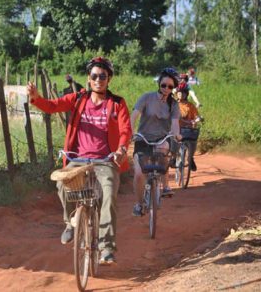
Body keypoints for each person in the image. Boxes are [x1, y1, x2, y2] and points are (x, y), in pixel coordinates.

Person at [27, 57, 132, 264]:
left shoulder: (117, 103)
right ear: (89, 79)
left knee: (108, 193)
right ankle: (69, 222)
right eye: (94, 76)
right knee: (61, 184)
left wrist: (121, 149)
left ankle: (107, 248)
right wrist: (36, 97)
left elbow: (125, 130)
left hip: (105, 161)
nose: (98, 80)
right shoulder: (78, 99)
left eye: (103, 76)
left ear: (109, 79)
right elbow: (51, 106)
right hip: (78, 159)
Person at [130, 67, 181, 217]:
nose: (166, 89)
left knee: (165, 148)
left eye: (170, 87)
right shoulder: (146, 98)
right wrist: (131, 133)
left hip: (161, 138)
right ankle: (139, 204)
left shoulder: (174, 104)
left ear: (173, 88)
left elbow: (175, 123)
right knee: (139, 174)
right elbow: (134, 116)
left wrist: (176, 134)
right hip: (143, 139)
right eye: (163, 85)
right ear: (159, 84)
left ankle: (165, 185)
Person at [175, 82, 201, 171]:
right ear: (176, 94)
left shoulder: (191, 106)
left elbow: (197, 116)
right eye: (179, 93)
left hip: (188, 131)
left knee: (193, 143)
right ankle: (174, 157)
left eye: (183, 93)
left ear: (186, 94)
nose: (181, 94)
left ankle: (190, 158)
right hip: (177, 129)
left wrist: (197, 120)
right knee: (173, 142)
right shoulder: (174, 105)